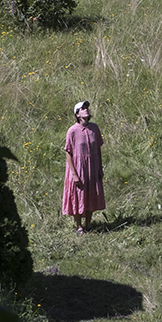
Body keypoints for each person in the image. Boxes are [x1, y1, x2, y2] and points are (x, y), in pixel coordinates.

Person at [62, 100, 105, 233]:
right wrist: (74, 174)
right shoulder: (72, 131)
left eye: (86, 107)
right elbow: (68, 152)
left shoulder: (94, 128)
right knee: (78, 194)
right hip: (78, 167)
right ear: (77, 114)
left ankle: (88, 224)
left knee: (91, 193)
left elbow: (98, 149)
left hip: (92, 166)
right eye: (82, 108)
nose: (86, 109)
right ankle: (79, 226)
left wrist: (100, 167)